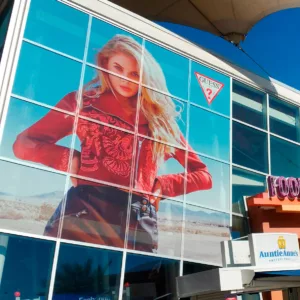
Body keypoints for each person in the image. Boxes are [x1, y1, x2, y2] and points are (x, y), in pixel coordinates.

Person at [13, 34, 212, 253]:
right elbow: (23, 144)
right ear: (105, 63)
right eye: (118, 68)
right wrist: (70, 159)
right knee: (57, 279)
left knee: (132, 284)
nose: (125, 79)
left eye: (135, 73)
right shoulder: (82, 103)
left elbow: (203, 175)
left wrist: (163, 186)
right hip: (84, 210)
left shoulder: (159, 120)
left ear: (146, 77)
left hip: (137, 218)